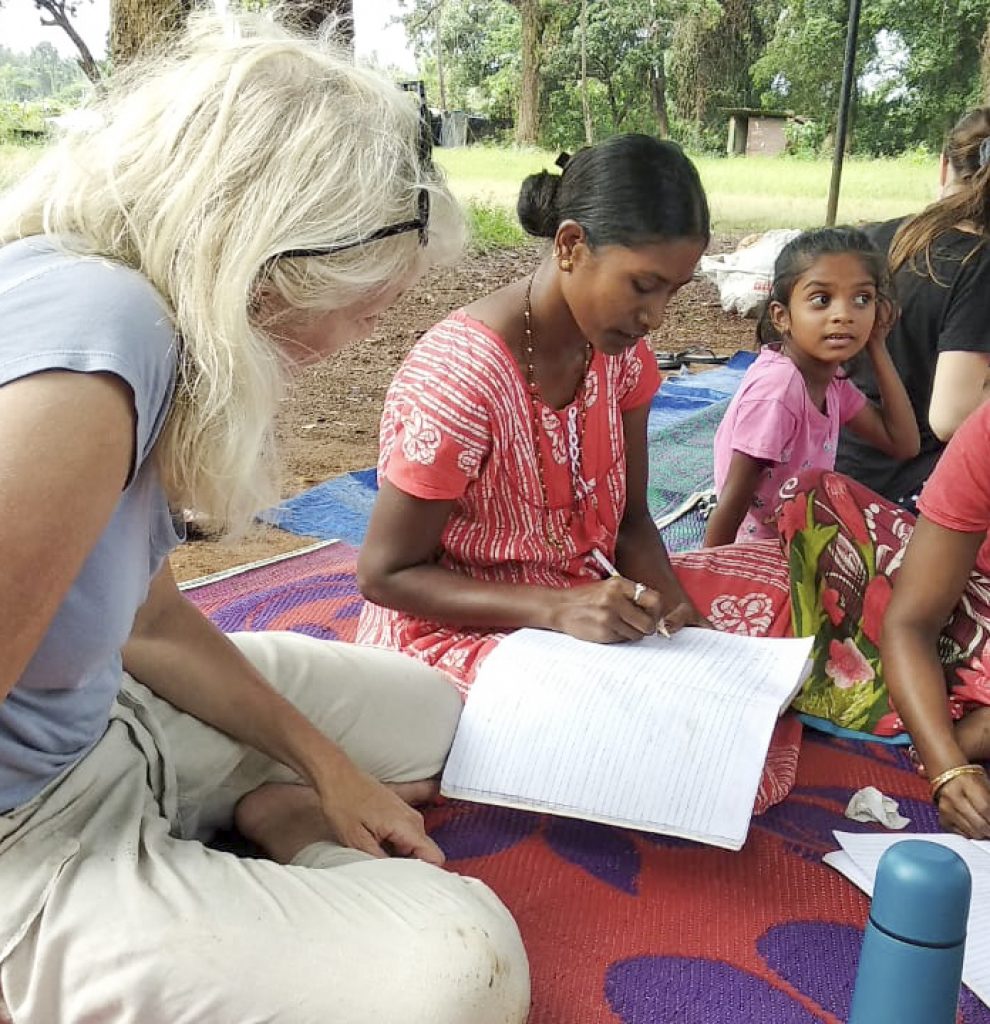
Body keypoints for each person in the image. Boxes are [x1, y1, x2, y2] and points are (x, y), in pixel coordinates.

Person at [0, 13, 529, 1024]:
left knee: (430, 719)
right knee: (459, 974)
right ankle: (219, 858)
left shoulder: (135, 320)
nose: (367, 334)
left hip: (107, 716)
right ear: (271, 263)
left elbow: (148, 625)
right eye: (372, 306)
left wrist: (323, 769)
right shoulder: (98, 344)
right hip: (26, 833)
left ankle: (262, 810)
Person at [355, 135, 710, 691]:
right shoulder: (463, 376)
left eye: (674, 292)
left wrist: (683, 620)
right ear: (570, 246)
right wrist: (557, 608)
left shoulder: (621, 355)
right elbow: (385, 573)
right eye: (644, 286)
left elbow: (633, 522)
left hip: (575, 610)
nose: (656, 318)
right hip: (455, 630)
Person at [704, 227, 920, 547]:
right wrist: (708, 578)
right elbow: (732, 505)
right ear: (782, 316)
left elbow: (903, 443)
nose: (844, 315)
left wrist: (877, 345)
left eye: (862, 299)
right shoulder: (779, 391)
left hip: (801, 537)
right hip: (759, 550)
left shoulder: (831, 381)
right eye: (822, 300)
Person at [836, 107, 990, 510]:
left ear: (944, 168)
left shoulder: (871, 236)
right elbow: (950, 418)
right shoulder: (981, 264)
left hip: (828, 469)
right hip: (902, 495)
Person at [880, 398, 990, 839]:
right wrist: (948, 768)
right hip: (972, 596)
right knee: (813, 499)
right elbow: (910, 623)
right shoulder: (985, 436)